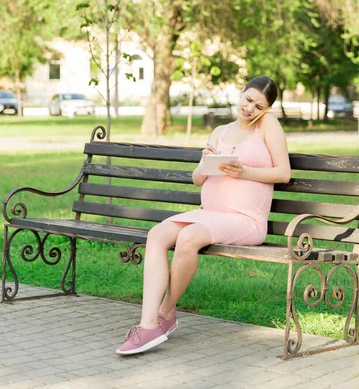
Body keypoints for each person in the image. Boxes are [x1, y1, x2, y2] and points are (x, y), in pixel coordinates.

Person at [116, 75, 291, 355]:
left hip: (245, 219)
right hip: (209, 213)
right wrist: (207, 161)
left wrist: (245, 172)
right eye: (248, 100)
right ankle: (148, 323)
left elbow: (284, 172)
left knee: (188, 237)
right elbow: (198, 179)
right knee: (157, 234)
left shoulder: (267, 125)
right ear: (241, 92)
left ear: (266, 110)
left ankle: (165, 314)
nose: (250, 109)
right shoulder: (220, 131)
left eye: (259, 106)